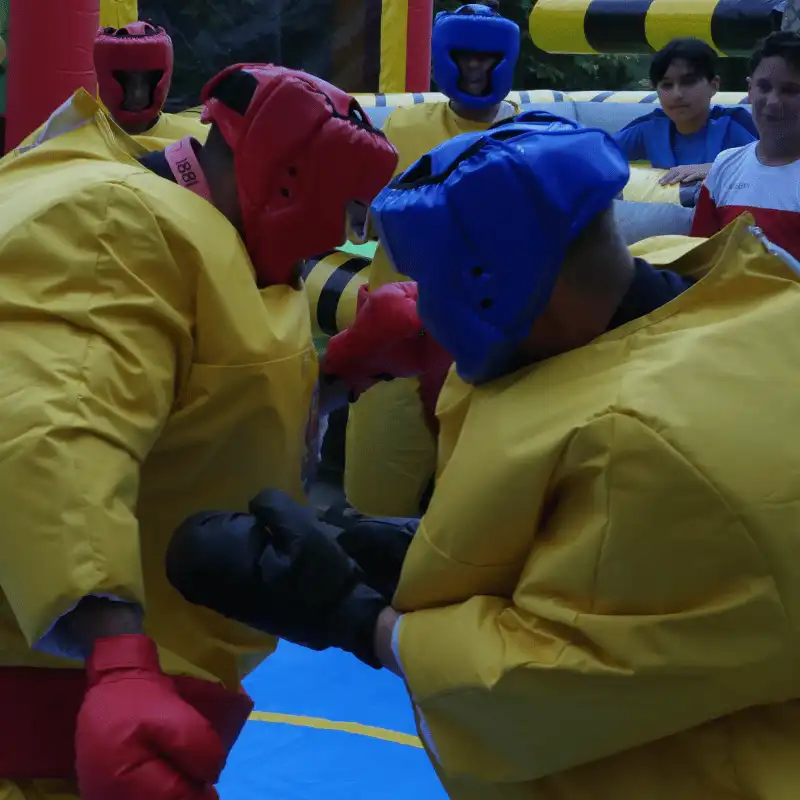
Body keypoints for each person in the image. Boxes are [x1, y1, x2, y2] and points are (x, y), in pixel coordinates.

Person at [169, 117, 800, 800]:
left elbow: (553, 682)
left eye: (429, 285)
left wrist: (355, 618)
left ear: (490, 277)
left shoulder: (641, 445)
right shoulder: (700, 284)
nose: (422, 310)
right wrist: (414, 552)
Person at [0, 63, 398, 800]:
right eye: (348, 215)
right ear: (291, 178)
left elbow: (189, 408)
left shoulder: (171, 216)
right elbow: (53, 427)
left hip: (119, 717)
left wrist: (339, 378)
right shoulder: (119, 220)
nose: (341, 243)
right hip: (60, 722)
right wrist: (116, 656)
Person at [344, 0, 521, 519]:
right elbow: (357, 224)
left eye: (486, 60)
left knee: (477, 505)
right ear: (446, 59)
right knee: (376, 488)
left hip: (487, 336)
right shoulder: (401, 127)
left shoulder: (534, 136)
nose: (474, 70)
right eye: (464, 58)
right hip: (397, 327)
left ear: (504, 63)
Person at [20, 21, 208, 152]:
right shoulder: (65, 133)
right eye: (124, 81)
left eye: (148, 80)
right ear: (105, 80)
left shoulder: (198, 140)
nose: (137, 94)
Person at [692, 31, 800, 258]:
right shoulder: (725, 166)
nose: (773, 102)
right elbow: (700, 259)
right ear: (750, 90)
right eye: (764, 87)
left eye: (790, 90)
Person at [614, 37, 757, 186]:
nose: (677, 94)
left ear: (714, 85)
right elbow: (595, 155)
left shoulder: (732, 127)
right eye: (667, 85)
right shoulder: (652, 129)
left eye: (688, 82)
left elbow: (773, 167)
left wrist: (716, 169)